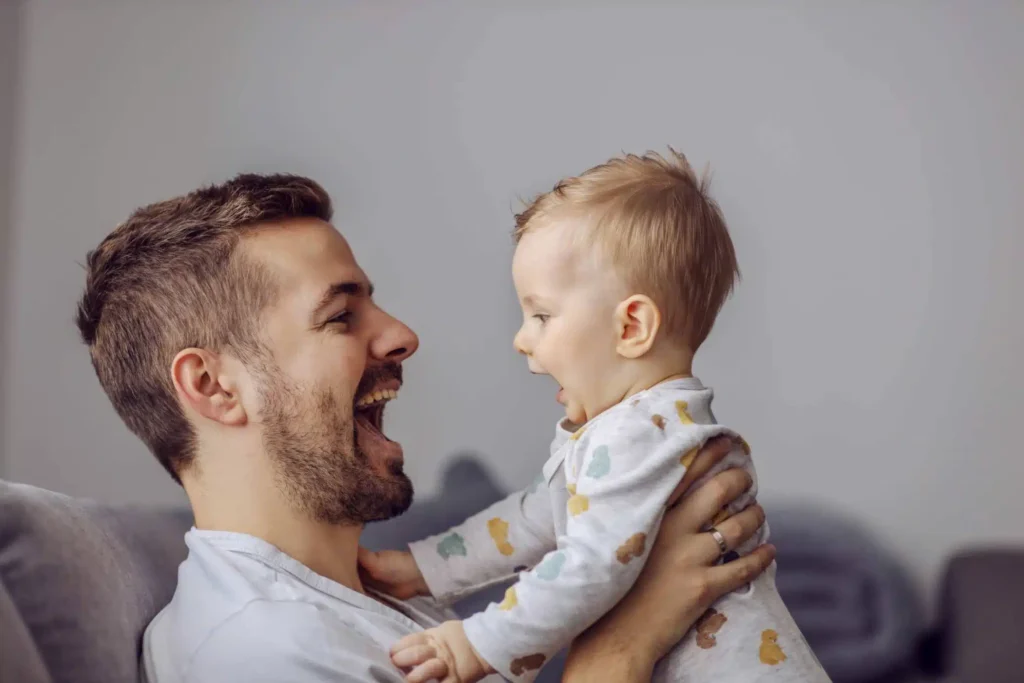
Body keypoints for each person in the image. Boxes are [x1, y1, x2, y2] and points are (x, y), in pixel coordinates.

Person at [74, 173, 776, 683]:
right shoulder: (259, 654)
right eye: (340, 316)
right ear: (214, 386)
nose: (404, 335)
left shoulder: (365, 601)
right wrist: (623, 644)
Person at [367, 150, 828, 682]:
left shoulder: (642, 435)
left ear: (631, 327)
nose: (521, 340)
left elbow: (591, 569)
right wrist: (423, 568)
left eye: (541, 315)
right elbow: (532, 516)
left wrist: (477, 644)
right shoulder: (633, 429)